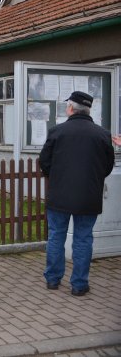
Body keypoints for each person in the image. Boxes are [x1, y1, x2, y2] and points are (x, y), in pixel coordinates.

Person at [39, 90, 114, 296]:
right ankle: (79, 285)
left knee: (56, 236)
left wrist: (56, 177)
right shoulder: (102, 134)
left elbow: (44, 163)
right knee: (83, 239)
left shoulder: (57, 131)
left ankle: (53, 281)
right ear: (89, 109)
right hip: (88, 196)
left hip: (60, 195)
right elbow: (107, 166)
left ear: (71, 108)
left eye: (67, 105)